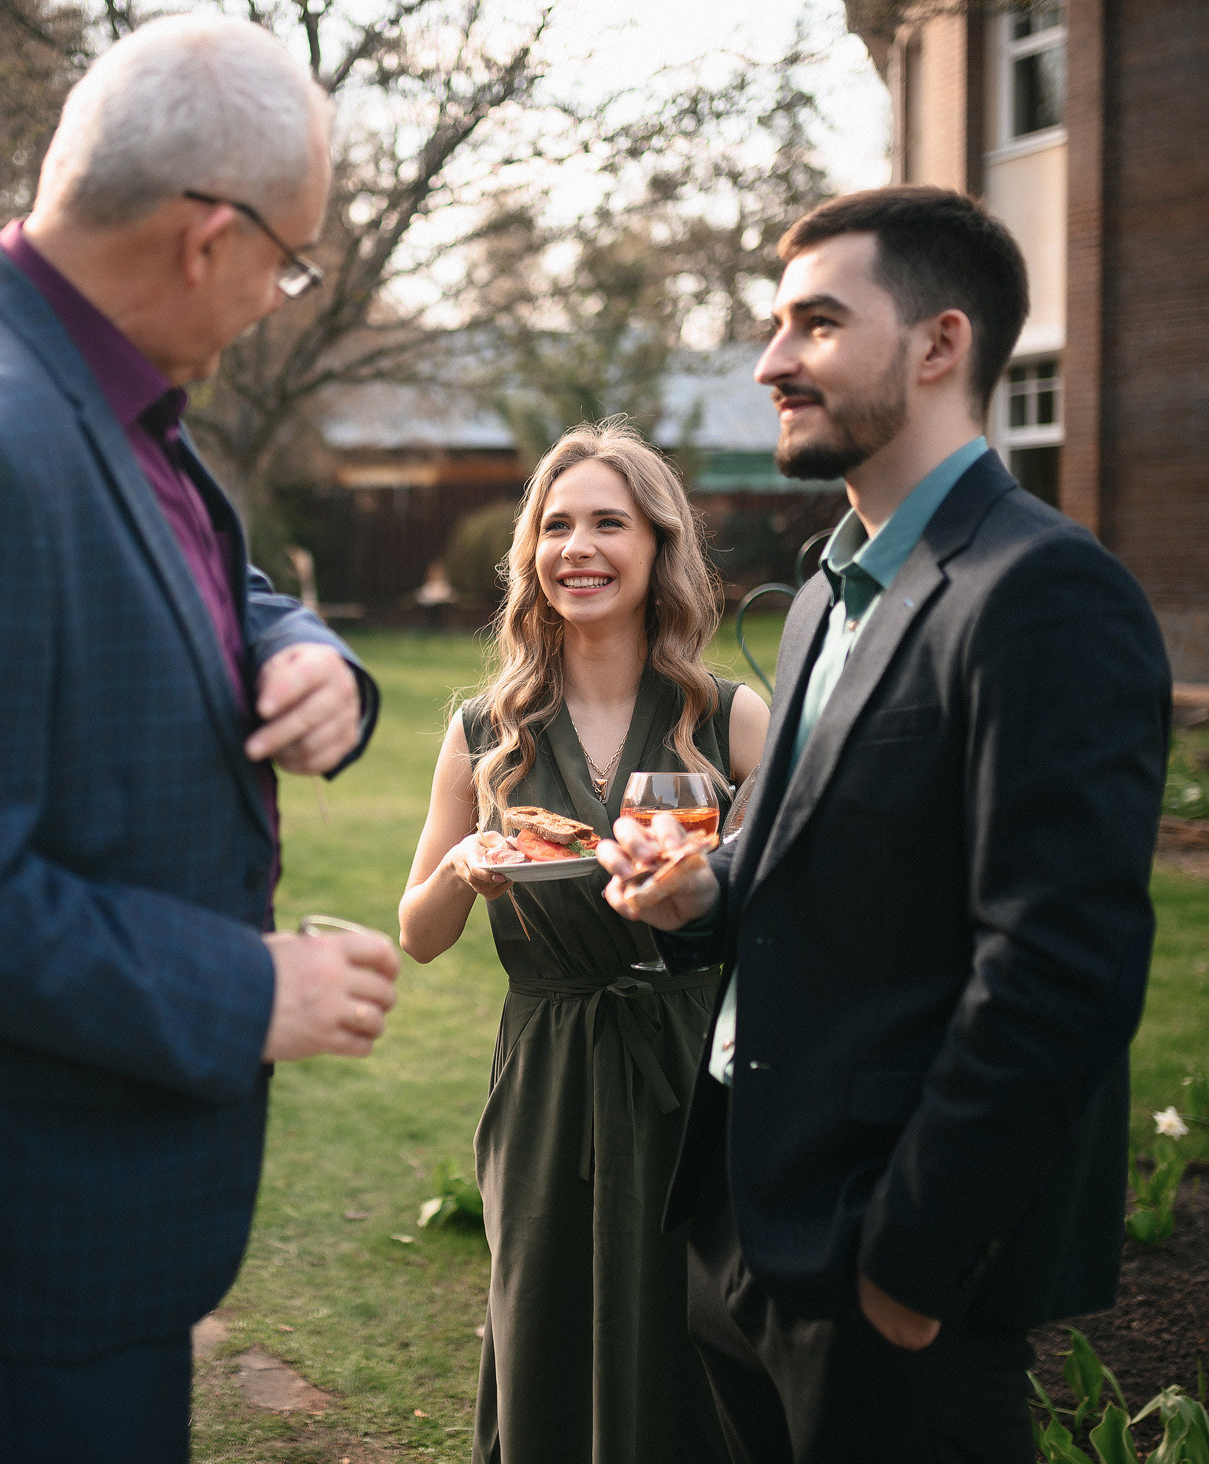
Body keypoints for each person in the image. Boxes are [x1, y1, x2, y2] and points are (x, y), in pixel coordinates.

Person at [0, 16, 403, 1461]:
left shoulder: (64, 363)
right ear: (207, 237)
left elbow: (184, 567)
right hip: (7, 1234)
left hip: (46, 1194)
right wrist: (251, 993)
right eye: (289, 263)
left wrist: (305, 651)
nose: (277, 300)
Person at [596, 186, 1171, 1464]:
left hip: (882, 1270)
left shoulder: (1045, 594)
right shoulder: (823, 593)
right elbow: (822, 847)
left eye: (813, 325)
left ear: (937, 344)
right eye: (774, 327)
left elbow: (1060, 969)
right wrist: (706, 890)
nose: (769, 363)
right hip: (741, 1212)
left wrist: (907, 1270)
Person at [399, 419, 767, 1464]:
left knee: (695, 1345)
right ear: (530, 557)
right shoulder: (484, 734)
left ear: (657, 546)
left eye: (609, 522)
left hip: (693, 1073)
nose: (579, 547)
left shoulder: (732, 721)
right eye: (556, 525)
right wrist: (464, 866)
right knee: (545, 1334)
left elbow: (790, 908)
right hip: (548, 1074)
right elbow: (416, 935)